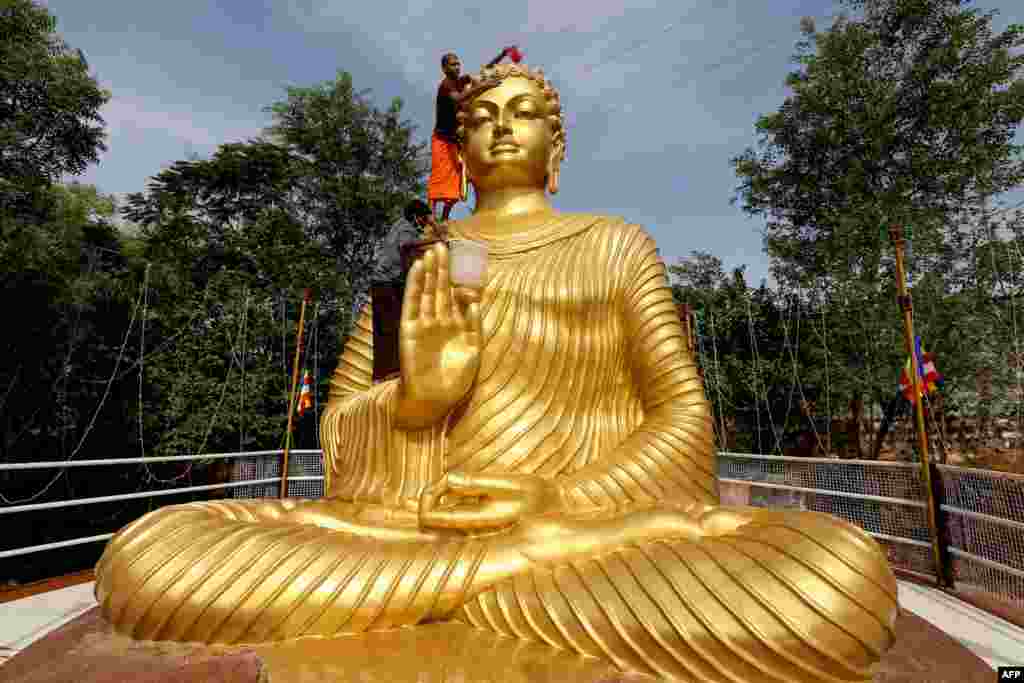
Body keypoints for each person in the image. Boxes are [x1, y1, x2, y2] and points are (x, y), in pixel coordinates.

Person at [95, 63, 898, 682]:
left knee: (833, 577)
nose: (501, 128)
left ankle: (437, 593)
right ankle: (494, 579)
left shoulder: (615, 245)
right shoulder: (427, 261)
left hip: (586, 532)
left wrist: (560, 500)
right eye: (480, 118)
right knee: (149, 556)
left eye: (523, 114)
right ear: (460, 146)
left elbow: (684, 422)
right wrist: (417, 402)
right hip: (427, 533)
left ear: (558, 146)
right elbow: (338, 438)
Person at [428, 49, 511, 222]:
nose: (457, 67)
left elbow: (483, 71)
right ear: (444, 68)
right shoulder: (446, 86)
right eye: (452, 64)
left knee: (457, 178)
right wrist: (483, 86)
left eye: (458, 63)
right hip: (441, 139)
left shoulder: (460, 81)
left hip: (454, 141)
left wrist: (502, 55)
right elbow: (459, 99)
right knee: (439, 176)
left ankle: (444, 218)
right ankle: (430, 216)